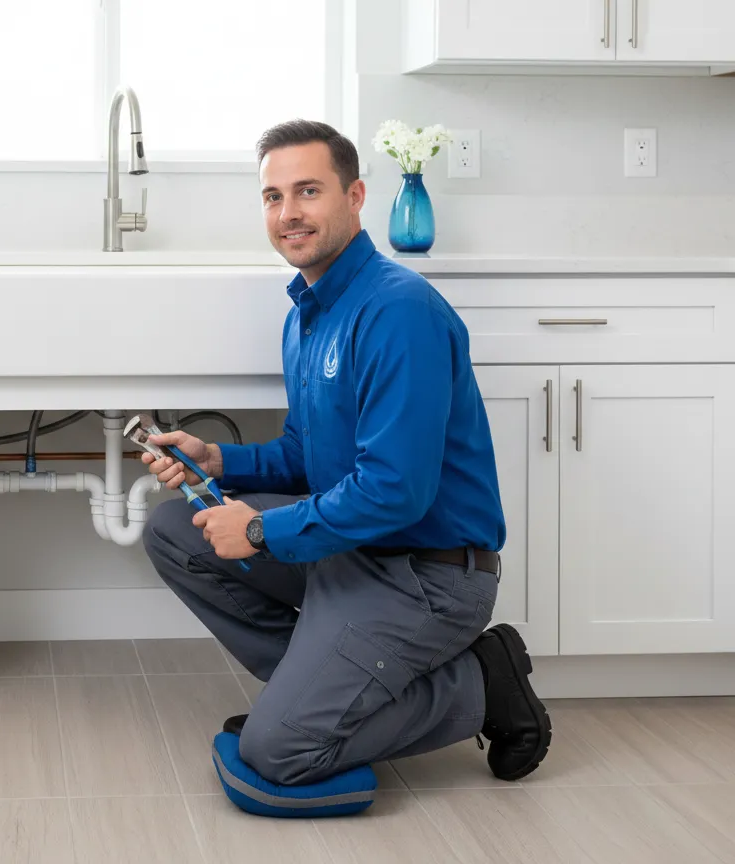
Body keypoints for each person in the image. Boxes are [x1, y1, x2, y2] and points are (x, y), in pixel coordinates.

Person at [141, 119, 551, 786]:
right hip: (352, 554)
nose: (289, 213)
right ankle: (311, 695)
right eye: (273, 197)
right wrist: (217, 461)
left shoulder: (398, 311)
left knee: (278, 754)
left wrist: (256, 527)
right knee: (174, 530)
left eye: (308, 191)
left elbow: (396, 491)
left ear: (355, 196)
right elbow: (309, 454)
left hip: (429, 577)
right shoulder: (308, 312)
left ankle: (481, 683)